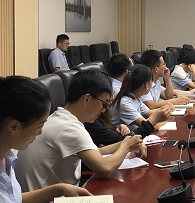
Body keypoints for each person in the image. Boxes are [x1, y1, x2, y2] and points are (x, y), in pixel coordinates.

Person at [0, 76, 92, 203]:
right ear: (14, 126)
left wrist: (57, 189)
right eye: (39, 125)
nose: (40, 133)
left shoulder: (6, 156)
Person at [15, 70, 144, 193]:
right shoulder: (69, 127)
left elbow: (94, 152)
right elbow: (105, 169)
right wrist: (126, 146)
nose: (104, 110)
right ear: (87, 99)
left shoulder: (61, 117)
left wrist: (127, 143)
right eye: (104, 104)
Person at [111, 64, 173, 131]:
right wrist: (163, 121)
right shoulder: (125, 102)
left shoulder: (135, 98)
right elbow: (148, 125)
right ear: (146, 85)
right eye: (151, 81)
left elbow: (149, 113)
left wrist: (166, 110)